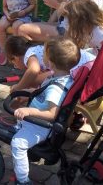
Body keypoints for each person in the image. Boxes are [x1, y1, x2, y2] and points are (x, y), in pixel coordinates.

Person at [10, 38, 80, 185]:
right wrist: (31, 92)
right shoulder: (62, 77)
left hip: (40, 126)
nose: (42, 56)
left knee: (17, 144)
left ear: (51, 63)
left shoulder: (56, 88)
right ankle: (20, 128)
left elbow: (52, 114)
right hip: (36, 121)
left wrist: (29, 110)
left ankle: (23, 181)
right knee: (19, 122)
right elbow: (44, 91)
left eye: (44, 54)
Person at [5, 35, 96, 94]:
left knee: (31, 81)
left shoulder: (28, 54)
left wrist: (18, 87)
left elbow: (33, 70)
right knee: (34, 81)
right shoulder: (35, 48)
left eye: (14, 64)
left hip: (80, 67)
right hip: (89, 63)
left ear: (16, 58)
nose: (16, 67)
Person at [0, 0, 37, 66]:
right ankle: (3, 50)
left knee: (16, 26)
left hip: (23, 16)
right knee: (0, 26)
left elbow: (33, 4)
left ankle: (16, 52)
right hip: (10, 14)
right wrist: (7, 14)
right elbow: (4, 7)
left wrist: (24, 11)